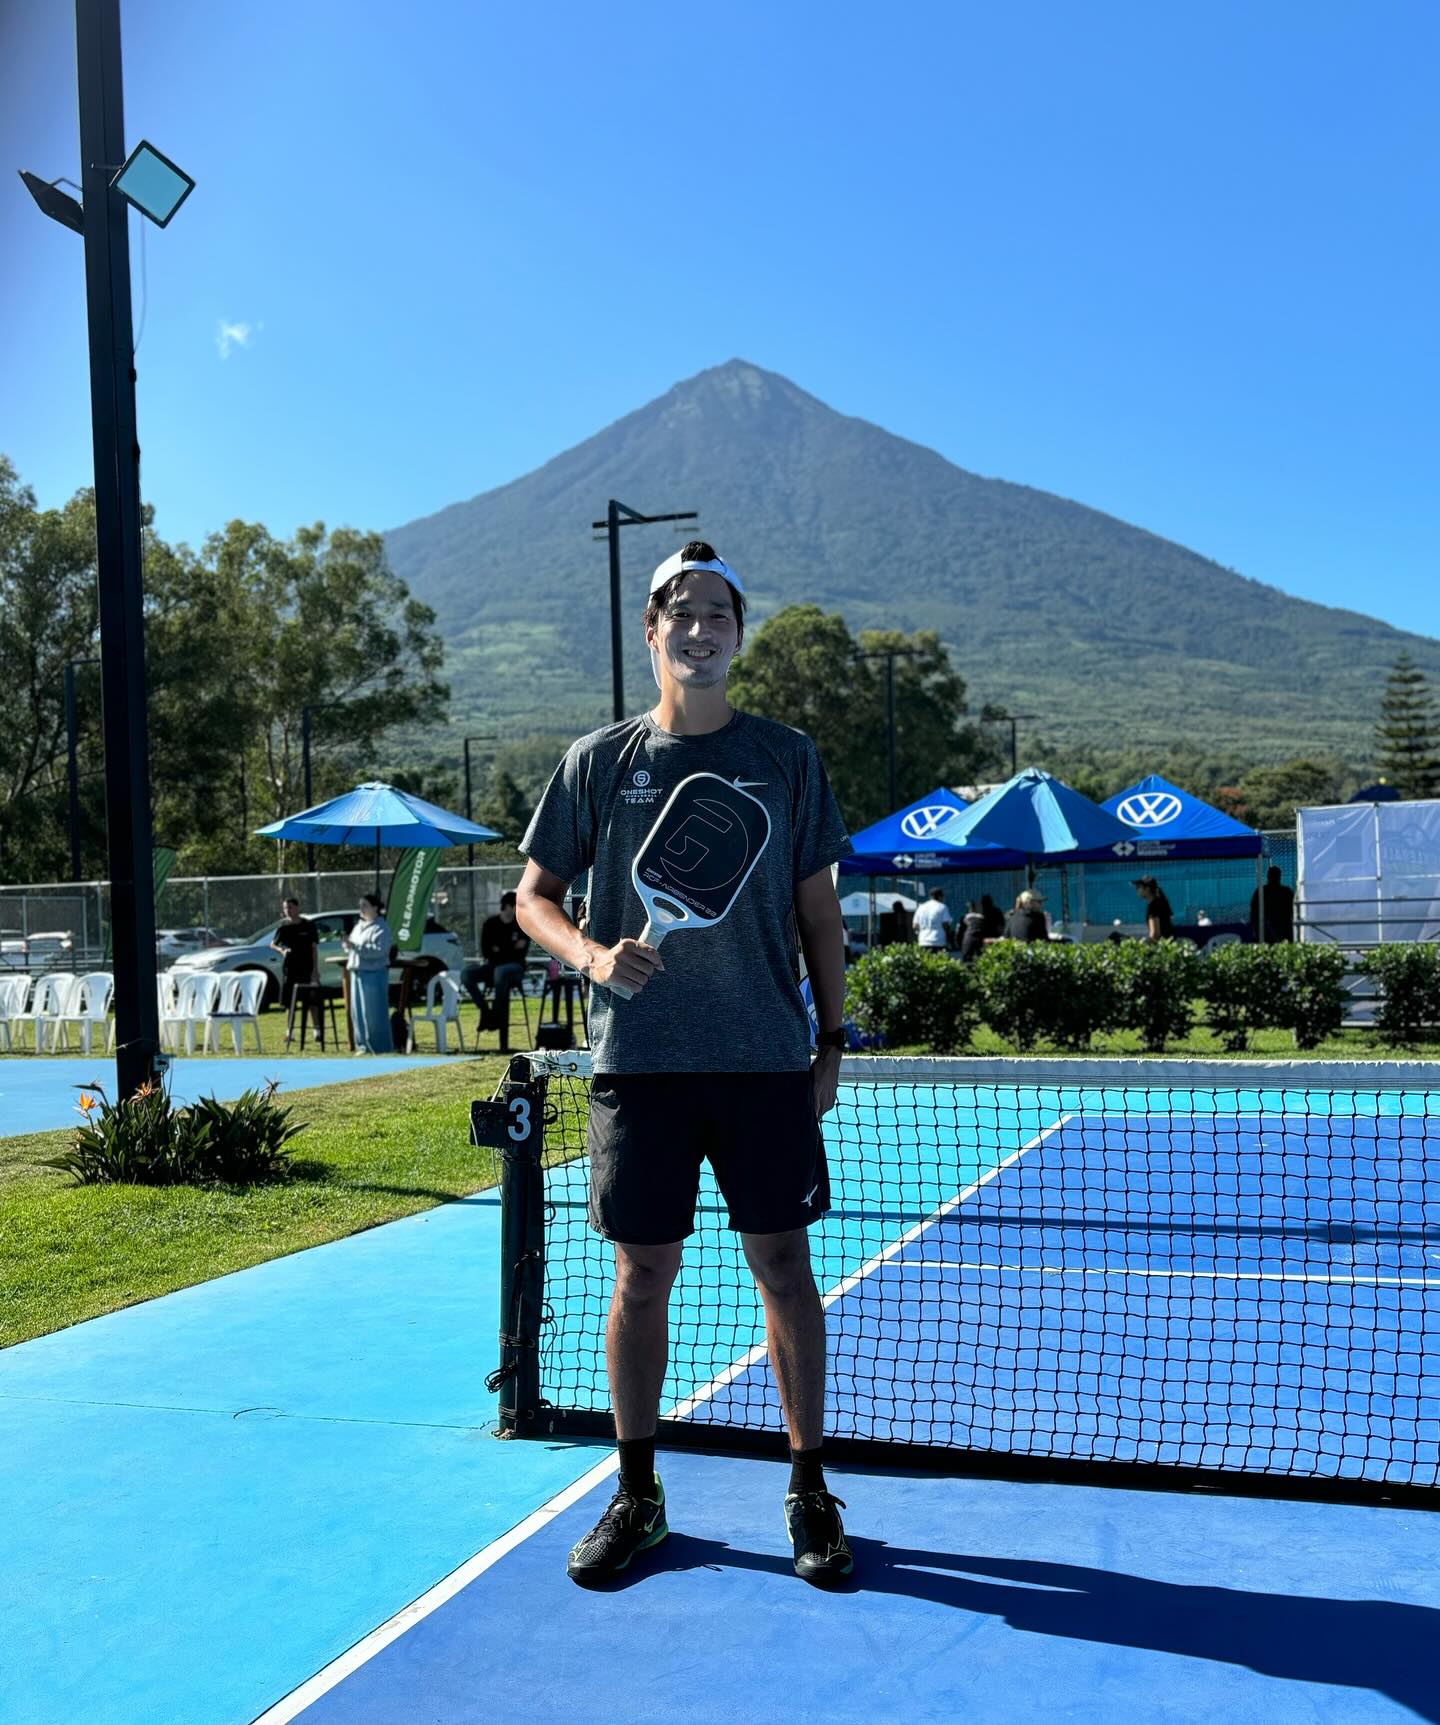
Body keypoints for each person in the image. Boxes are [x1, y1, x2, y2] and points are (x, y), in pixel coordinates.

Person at [515, 541, 854, 1586]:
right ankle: (637, 1494)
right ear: (652, 629)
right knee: (641, 1275)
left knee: (785, 1270)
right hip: (639, 1067)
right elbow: (532, 898)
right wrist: (590, 954)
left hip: (764, 1065)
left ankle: (808, 1492)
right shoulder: (598, 762)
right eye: (682, 612)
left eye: (719, 614)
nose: (699, 629)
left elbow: (819, 914)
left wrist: (831, 1039)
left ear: (738, 634)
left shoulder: (787, 757)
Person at [461, 890, 532, 1048]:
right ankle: (486, 1012)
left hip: (515, 968)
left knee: (501, 972)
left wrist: (499, 949)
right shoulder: (490, 924)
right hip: (492, 966)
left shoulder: (521, 925)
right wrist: (510, 948)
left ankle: (495, 1014)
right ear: (508, 906)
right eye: (516, 906)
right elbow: (486, 951)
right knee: (467, 974)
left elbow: (521, 952)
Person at [340, 892, 393, 1053]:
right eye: (360, 906)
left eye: (365, 905)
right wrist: (347, 945)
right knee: (358, 1013)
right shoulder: (359, 926)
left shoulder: (381, 928)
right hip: (357, 972)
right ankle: (362, 1046)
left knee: (373, 1013)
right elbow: (353, 948)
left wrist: (355, 947)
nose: (361, 909)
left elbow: (379, 951)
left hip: (373, 974)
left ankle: (379, 1047)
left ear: (375, 908)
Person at [270, 897, 320, 1041]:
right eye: (285, 908)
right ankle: (289, 1033)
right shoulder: (283, 927)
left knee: (311, 1001)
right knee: (290, 1002)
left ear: (297, 908)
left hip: (307, 968)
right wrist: (282, 950)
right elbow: (273, 944)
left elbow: (314, 948)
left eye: (290, 907)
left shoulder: (308, 925)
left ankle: (317, 1032)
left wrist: (315, 971)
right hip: (290, 969)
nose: (288, 910)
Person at [1249, 866, 1295, 944]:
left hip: (1271, 929)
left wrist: (1254, 927)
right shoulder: (1287, 891)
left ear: (1268, 876)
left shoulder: (1261, 891)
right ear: (1279, 877)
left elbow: (1253, 912)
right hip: (1279, 929)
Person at [1133, 875, 1175, 940]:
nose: (1136, 890)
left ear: (1147, 889)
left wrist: (1145, 945)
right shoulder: (1158, 902)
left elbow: (1155, 934)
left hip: (1162, 944)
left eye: (1138, 887)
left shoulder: (1154, 906)